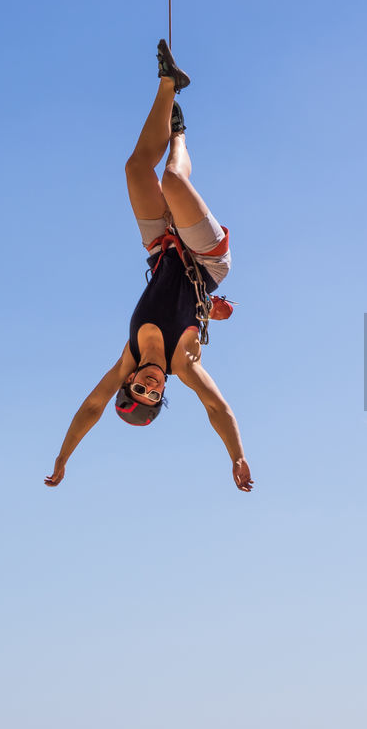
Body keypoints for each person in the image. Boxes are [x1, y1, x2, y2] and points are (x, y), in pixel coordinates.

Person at [45, 41, 253, 492]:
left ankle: (168, 85)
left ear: (132, 381)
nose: (149, 386)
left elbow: (91, 407)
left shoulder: (129, 358)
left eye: (139, 389)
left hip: (161, 249)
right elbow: (218, 408)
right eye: (154, 396)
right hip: (204, 262)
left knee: (137, 169)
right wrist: (236, 455)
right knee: (174, 179)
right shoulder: (184, 363)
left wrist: (63, 456)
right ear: (162, 393)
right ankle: (179, 136)